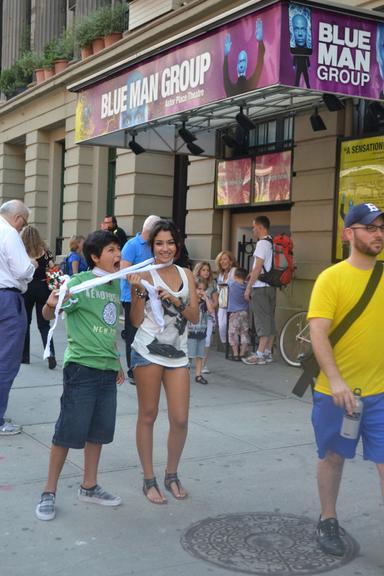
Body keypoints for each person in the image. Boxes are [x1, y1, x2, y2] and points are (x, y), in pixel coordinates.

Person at [308, 202, 384, 557]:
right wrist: (336, 381)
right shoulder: (331, 278)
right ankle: (328, 519)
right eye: (370, 227)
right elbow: (319, 333)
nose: (378, 234)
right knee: (334, 458)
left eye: (381, 227)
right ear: (349, 233)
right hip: (335, 394)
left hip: (380, 392)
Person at [35, 230, 125, 521]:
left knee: (97, 433)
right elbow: (51, 315)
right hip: (81, 369)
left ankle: (89, 485)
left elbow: (108, 328)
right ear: (95, 256)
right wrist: (51, 301)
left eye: (118, 249)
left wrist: (117, 362)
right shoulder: (81, 282)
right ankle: (49, 491)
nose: (118, 255)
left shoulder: (113, 286)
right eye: (111, 250)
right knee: (67, 431)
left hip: (106, 368)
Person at [128, 219, 198, 504]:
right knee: (148, 414)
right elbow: (134, 320)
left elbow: (194, 316)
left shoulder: (186, 274)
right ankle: (149, 479)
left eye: (170, 243)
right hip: (147, 349)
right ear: (151, 246)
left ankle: (172, 474)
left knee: (180, 418)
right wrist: (136, 293)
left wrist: (175, 299)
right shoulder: (142, 273)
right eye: (159, 243)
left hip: (178, 354)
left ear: (177, 246)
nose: (165, 248)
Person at [0, 200, 35, 435]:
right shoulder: (9, 233)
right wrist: (32, 264)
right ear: (19, 219)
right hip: (7, 300)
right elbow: (23, 270)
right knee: (6, 361)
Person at [120, 215, 161, 383]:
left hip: (150, 297)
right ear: (150, 231)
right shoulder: (132, 245)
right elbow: (124, 272)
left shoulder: (153, 246)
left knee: (148, 332)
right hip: (131, 297)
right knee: (133, 333)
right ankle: (133, 370)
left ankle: (146, 366)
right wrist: (144, 281)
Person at [20, 225, 56, 369]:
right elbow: (52, 269)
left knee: (25, 322)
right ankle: (50, 354)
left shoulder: (21, 252)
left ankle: (24, 356)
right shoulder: (45, 252)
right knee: (44, 325)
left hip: (27, 288)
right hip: (42, 288)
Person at [243, 216, 276, 365]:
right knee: (269, 319)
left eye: (253, 227)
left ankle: (260, 354)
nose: (252, 230)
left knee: (262, 320)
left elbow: (258, 267)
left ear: (260, 227)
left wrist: (249, 287)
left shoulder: (262, 243)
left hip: (260, 288)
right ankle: (268, 352)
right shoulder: (271, 242)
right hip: (270, 286)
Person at [223, 20, 265, 97]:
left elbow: (260, 63)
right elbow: (225, 77)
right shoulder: (231, 90)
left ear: (246, 64)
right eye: (240, 61)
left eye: (243, 61)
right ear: (236, 65)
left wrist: (260, 41)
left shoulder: (251, 83)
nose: (241, 63)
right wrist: (225, 56)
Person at [188, 278, 215, 385]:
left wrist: (206, 298)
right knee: (189, 356)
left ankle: (198, 375)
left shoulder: (204, 303)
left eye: (203, 289)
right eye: (199, 289)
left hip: (201, 333)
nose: (201, 291)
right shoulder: (190, 301)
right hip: (191, 332)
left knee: (200, 355)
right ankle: (185, 374)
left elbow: (211, 310)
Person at [193, 261, 218, 374]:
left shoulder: (212, 284)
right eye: (203, 270)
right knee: (191, 338)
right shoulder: (193, 283)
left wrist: (210, 306)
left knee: (206, 340)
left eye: (208, 270)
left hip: (207, 316)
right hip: (194, 315)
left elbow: (216, 301)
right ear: (198, 270)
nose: (206, 272)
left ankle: (203, 364)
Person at [227, 267, 250, 361]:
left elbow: (228, 279)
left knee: (233, 333)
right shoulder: (247, 286)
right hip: (244, 313)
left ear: (235, 276)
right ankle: (242, 353)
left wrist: (232, 270)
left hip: (234, 313)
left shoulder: (232, 284)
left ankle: (235, 354)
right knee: (244, 333)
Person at [215, 250, 236, 346]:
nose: (222, 262)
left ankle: (234, 347)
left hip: (233, 302)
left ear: (231, 261)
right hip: (223, 302)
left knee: (234, 326)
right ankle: (226, 344)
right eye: (221, 260)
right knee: (222, 325)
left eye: (225, 259)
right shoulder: (220, 275)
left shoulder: (234, 271)